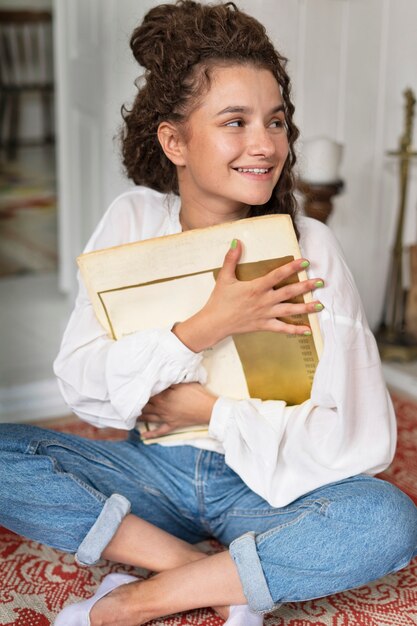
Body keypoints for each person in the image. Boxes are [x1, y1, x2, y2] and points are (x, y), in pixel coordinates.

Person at [1, 1, 417, 625]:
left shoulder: (311, 245)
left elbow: (363, 440)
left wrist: (210, 411)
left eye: (276, 122)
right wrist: (207, 325)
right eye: (235, 121)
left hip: (263, 482)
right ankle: (198, 568)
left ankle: (142, 596)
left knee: (386, 520)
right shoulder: (133, 219)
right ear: (174, 140)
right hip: (152, 473)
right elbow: (82, 386)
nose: (265, 144)